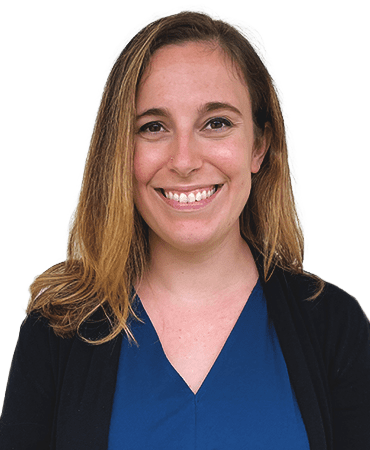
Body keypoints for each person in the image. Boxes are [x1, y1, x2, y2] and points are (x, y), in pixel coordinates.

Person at [1, 6, 369, 450]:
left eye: (216, 123)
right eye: (153, 127)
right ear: (120, 152)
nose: (183, 160)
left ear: (259, 146)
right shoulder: (56, 332)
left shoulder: (337, 328)